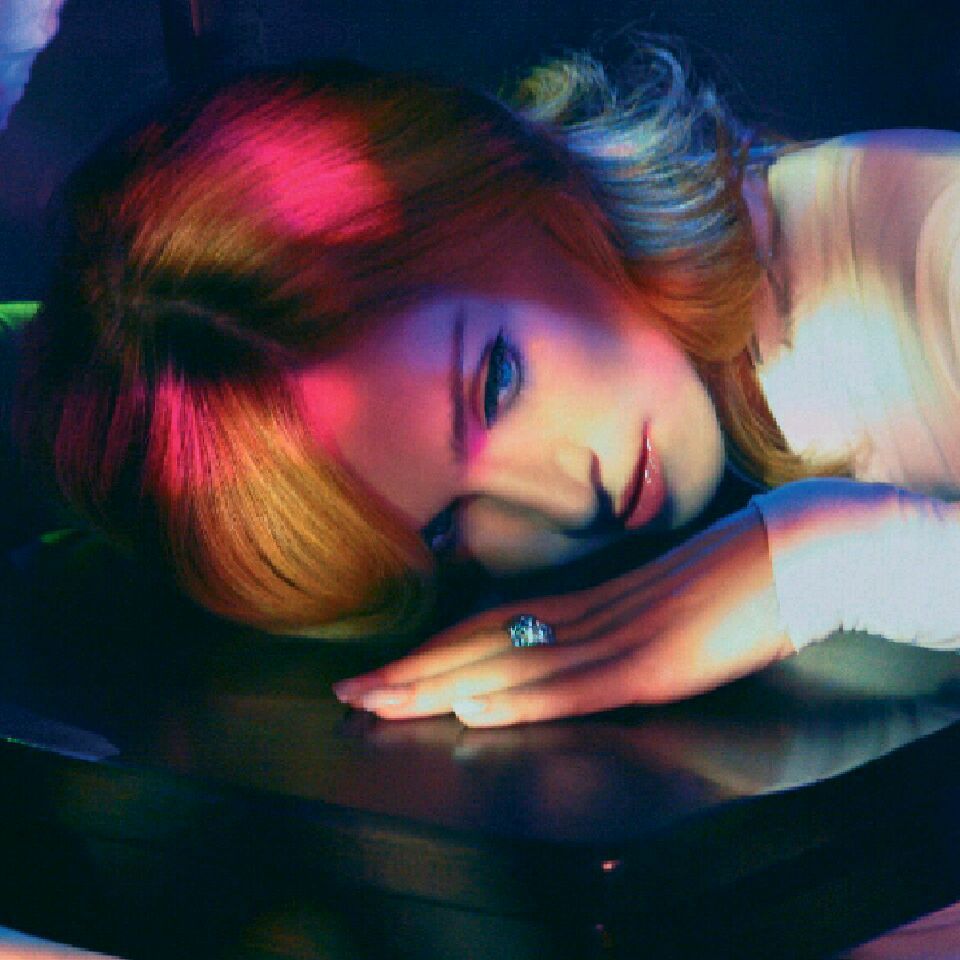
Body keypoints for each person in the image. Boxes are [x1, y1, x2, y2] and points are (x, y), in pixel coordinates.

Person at [16, 47, 960, 734]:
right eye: (446, 532)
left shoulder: (929, 242)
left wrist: (834, 560)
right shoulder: (729, 412)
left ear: (528, 185)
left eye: (496, 383)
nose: (563, 498)